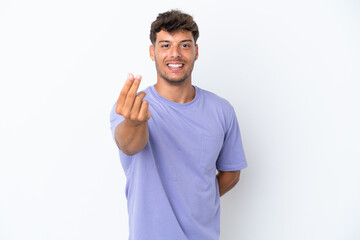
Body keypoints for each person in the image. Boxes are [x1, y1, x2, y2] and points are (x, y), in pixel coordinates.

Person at [110, 10, 247, 240]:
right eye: (165, 45)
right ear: (153, 52)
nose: (175, 54)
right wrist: (135, 123)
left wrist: (196, 199)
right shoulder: (132, 106)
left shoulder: (222, 110)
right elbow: (129, 145)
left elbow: (231, 172)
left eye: (185, 45)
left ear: (196, 51)